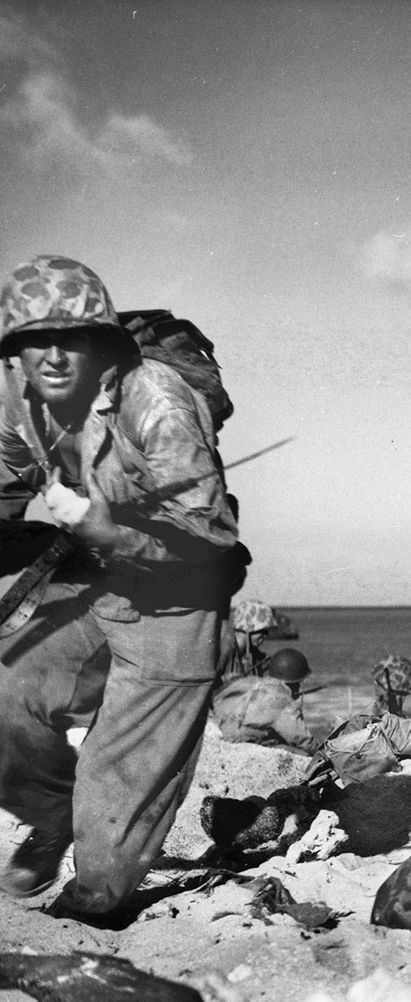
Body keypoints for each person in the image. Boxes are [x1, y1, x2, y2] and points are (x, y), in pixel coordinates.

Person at [0, 255, 243, 916]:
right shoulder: (21, 398)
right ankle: (52, 814)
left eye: (70, 339)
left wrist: (107, 530)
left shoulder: (156, 399)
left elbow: (209, 539)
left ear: (101, 346)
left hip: (177, 599)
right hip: (91, 583)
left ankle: (92, 870)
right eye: (32, 341)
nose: (50, 356)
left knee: (102, 884)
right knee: (5, 698)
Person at [213, 647, 317, 752]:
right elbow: (303, 740)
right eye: (298, 683)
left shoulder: (249, 681)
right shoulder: (281, 699)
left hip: (216, 736)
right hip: (237, 746)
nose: (299, 687)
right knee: (301, 754)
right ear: (292, 682)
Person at [224, 598, 274, 680]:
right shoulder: (224, 650)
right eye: (262, 631)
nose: (266, 635)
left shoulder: (254, 655)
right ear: (248, 628)